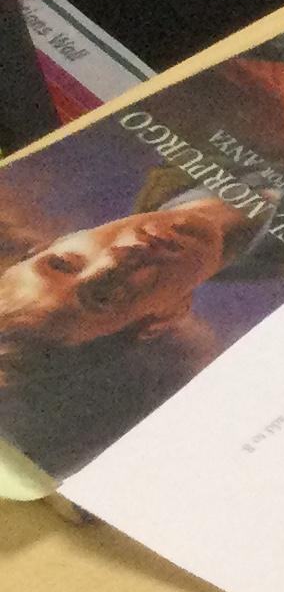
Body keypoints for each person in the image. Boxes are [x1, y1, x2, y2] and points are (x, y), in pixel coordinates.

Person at [0, 192, 255, 473]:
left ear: (59, 241)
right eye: (104, 295)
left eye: (61, 264)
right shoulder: (282, 266)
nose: (117, 256)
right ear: (163, 319)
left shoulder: (166, 182)